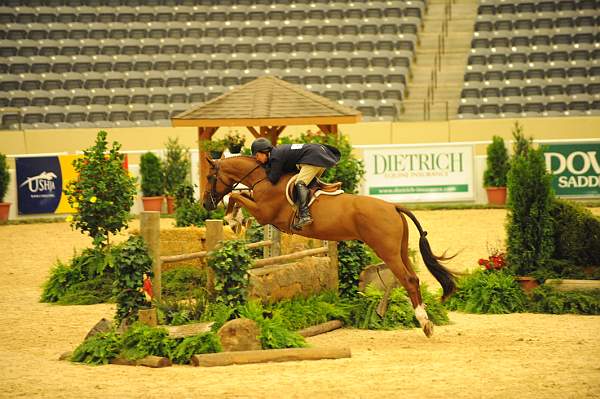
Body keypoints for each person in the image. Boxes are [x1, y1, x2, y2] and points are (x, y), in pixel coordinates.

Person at [251, 137, 341, 229]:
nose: (257, 159)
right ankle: (306, 214)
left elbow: (274, 179)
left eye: (257, 155)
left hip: (314, 157)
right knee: (307, 186)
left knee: (300, 183)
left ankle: (305, 215)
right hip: (316, 154)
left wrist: (264, 168)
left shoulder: (275, 157)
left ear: (264, 152)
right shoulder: (276, 152)